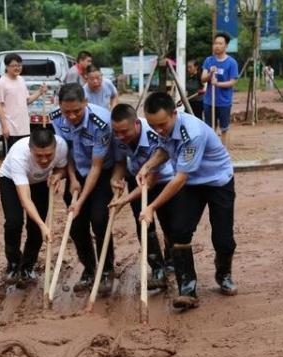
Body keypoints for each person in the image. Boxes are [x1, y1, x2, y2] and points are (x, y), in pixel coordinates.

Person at [137, 92, 237, 309]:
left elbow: (180, 178)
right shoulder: (162, 126)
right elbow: (165, 149)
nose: (158, 130)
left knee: (223, 238)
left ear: (175, 113)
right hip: (193, 185)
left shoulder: (192, 133)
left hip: (217, 181)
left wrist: (152, 207)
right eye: (154, 126)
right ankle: (187, 289)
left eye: (162, 124)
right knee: (178, 231)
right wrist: (148, 165)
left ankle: (224, 274)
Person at [50, 83, 119, 294]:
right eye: (66, 111)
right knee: (77, 225)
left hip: (101, 172)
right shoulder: (56, 118)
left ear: (86, 103)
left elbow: (97, 166)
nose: (71, 116)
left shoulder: (102, 122)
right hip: (77, 171)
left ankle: (106, 271)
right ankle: (89, 269)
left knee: (99, 220)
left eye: (76, 111)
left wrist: (80, 201)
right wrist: (72, 179)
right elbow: (66, 150)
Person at [108, 104, 175, 290]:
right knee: (144, 224)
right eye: (116, 133)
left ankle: (172, 261)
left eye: (124, 132)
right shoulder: (118, 135)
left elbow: (152, 179)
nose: (120, 137)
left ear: (136, 124)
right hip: (136, 178)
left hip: (162, 181)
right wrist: (116, 178)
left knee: (170, 223)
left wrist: (124, 200)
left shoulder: (156, 135)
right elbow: (120, 162)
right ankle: (158, 270)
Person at [0, 130, 68, 287]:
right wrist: (44, 226)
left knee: (35, 227)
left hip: (42, 182)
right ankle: (14, 263)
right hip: (10, 180)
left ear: (55, 149)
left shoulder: (62, 146)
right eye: (38, 156)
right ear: (30, 150)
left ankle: (28, 266)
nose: (44, 160)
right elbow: (25, 199)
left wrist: (57, 175)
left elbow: (62, 168)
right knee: (13, 222)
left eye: (49, 155)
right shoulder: (18, 155)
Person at [0, 53, 47, 150]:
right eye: (14, 65)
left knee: (24, 155)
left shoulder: (21, 80)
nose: (18, 68)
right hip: (10, 129)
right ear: (7, 66)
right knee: (12, 157)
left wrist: (40, 92)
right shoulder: (1, 83)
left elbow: (27, 101)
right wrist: (4, 127)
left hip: (24, 127)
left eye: (19, 65)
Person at [201, 32, 239, 147]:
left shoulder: (231, 63)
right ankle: (211, 151)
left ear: (226, 46)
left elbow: (233, 81)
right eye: (215, 43)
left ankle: (223, 152)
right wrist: (210, 74)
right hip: (209, 101)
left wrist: (217, 84)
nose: (217, 46)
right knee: (209, 128)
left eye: (220, 43)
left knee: (224, 128)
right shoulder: (209, 61)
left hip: (224, 101)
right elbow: (203, 78)